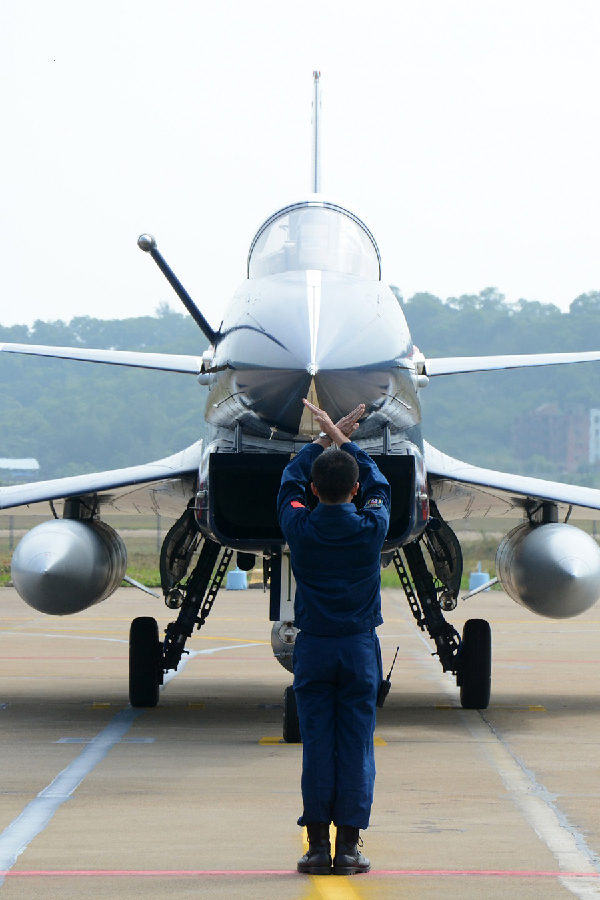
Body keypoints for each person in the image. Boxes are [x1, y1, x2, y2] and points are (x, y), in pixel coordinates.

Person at [277, 398, 391, 876]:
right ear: (355, 490)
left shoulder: (299, 526)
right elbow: (381, 485)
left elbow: (288, 482)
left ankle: (317, 848)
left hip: (315, 648)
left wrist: (320, 441)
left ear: (315, 488)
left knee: (318, 747)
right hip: (359, 648)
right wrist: (346, 441)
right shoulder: (371, 526)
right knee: (357, 747)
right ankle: (349, 848)